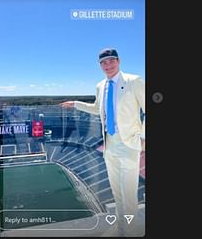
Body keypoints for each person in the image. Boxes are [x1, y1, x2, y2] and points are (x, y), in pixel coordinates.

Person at [61, 47, 145, 236]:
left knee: (129, 194)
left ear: (119, 61)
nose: (108, 65)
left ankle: (129, 231)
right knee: (117, 192)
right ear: (100, 65)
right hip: (110, 146)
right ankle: (120, 227)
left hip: (129, 145)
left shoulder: (134, 81)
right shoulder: (101, 85)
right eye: (103, 63)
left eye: (111, 61)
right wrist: (75, 104)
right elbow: (97, 108)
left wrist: (143, 137)